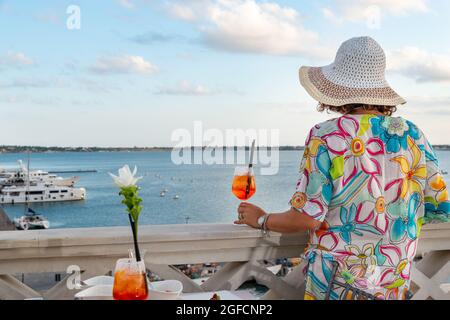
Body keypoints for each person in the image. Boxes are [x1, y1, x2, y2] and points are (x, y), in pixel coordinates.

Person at [235, 36, 450, 300]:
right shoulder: (413, 135)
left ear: (339, 88)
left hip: (337, 283)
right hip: (392, 281)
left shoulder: (326, 136)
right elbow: (439, 206)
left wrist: (261, 219)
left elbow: (307, 216)